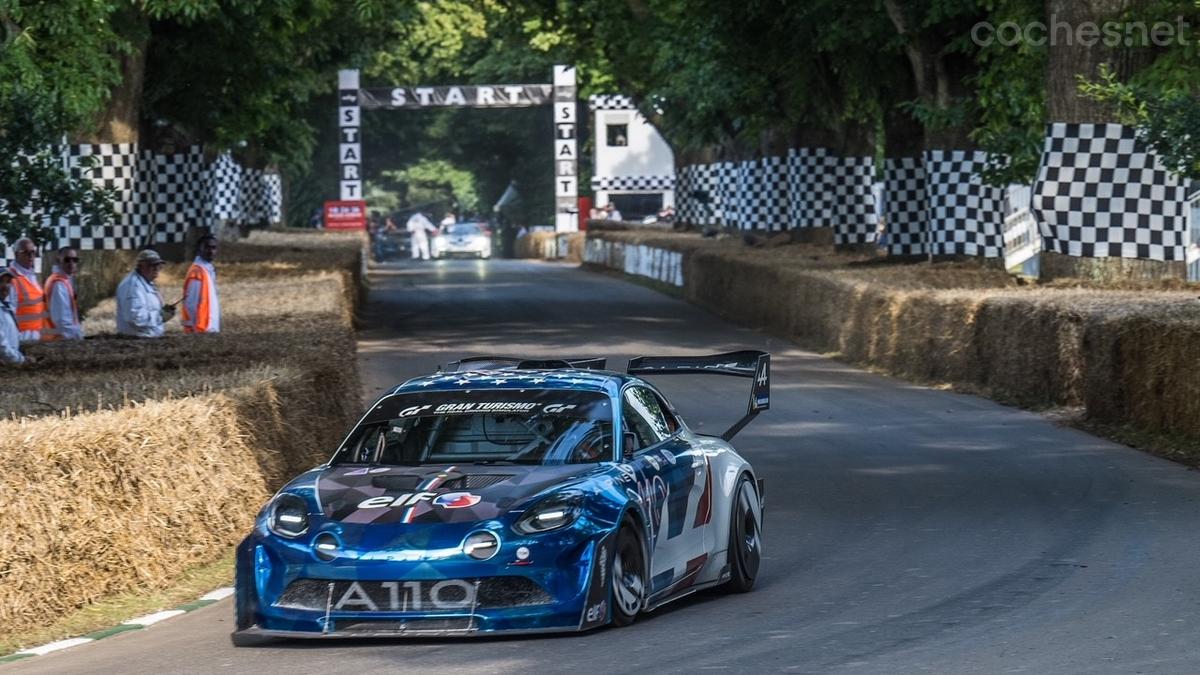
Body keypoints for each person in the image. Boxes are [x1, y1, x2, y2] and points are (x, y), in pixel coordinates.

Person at [116, 249, 172, 338]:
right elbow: (135, 318)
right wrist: (160, 316)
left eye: (158, 265)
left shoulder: (147, 283)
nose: (156, 269)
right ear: (142, 266)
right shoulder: (132, 286)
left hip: (146, 339)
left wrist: (164, 311)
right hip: (136, 341)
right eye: (152, 265)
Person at [8, 237, 46, 342]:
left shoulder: (31, 276)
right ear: (16, 254)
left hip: (36, 336)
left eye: (33, 252)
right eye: (26, 252)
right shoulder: (10, 279)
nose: (31, 256)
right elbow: (7, 315)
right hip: (21, 338)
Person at [182, 235, 220, 334]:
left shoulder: (208, 269)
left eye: (213, 248)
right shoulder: (197, 272)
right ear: (198, 250)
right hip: (201, 331)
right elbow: (191, 304)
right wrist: (197, 330)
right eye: (207, 247)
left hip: (208, 329)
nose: (211, 251)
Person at [43, 247, 83, 341]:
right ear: (58, 260)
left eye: (75, 260)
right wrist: (77, 337)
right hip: (61, 340)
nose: (71, 263)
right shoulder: (58, 284)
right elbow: (62, 320)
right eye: (67, 260)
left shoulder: (63, 280)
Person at [0, 267, 29, 364]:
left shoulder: (7, 307)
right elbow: (2, 347)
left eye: (8, 281)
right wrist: (21, 360)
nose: (5, 286)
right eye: (1, 281)